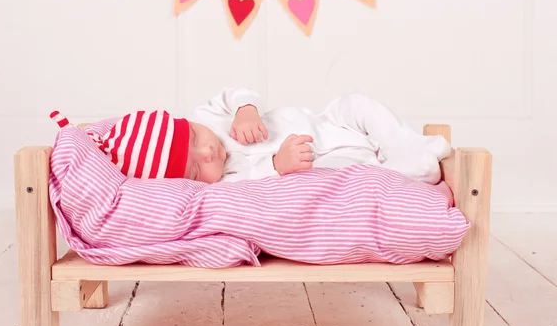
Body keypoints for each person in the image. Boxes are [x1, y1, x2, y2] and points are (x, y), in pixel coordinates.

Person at [184, 87, 451, 184]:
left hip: (331, 125)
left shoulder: (206, 115)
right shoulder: (219, 186)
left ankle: (407, 144)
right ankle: (407, 169)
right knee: (343, 180)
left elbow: (236, 93)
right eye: (195, 169)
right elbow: (245, 186)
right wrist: (275, 166)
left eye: (195, 139)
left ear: (189, 123)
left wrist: (246, 110)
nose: (206, 153)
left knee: (355, 102)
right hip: (324, 166)